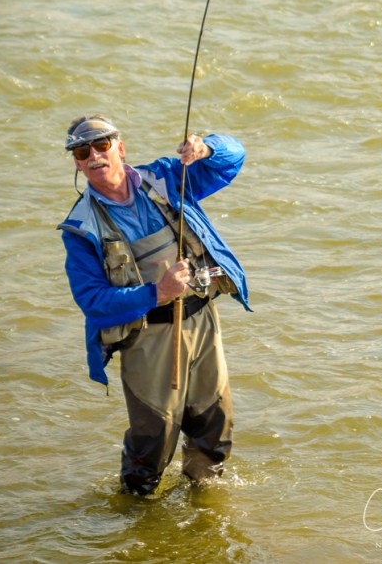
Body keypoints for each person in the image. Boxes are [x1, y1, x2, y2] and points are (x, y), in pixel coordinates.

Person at [58, 114, 251, 495]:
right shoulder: (80, 228)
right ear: (78, 164)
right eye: (83, 151)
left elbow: (235, 157)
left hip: (202, 323)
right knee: (153, 443)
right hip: (147, 338)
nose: (94, 155)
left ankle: (203, 508)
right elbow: (93, 302)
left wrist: (207, 147)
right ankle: (135, 515)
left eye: (102, 145)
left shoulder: (166, 176)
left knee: (215, 427)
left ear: (120, 147)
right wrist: (157, 293)